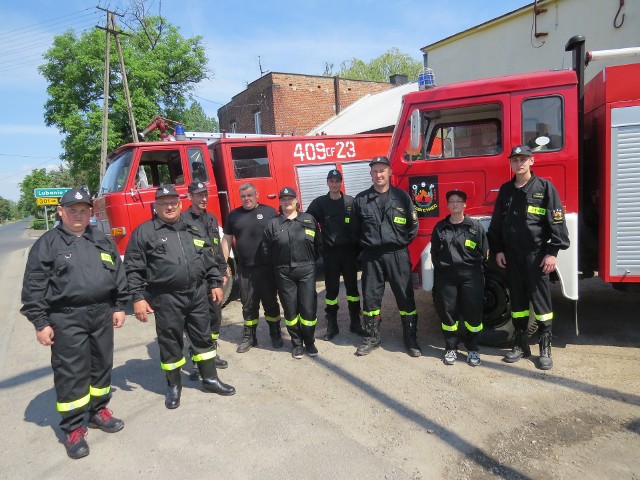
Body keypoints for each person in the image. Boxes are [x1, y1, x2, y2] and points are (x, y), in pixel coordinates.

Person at [20, 188, 129, 460]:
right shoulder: (47, 244)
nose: (78, 215)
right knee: (72, 372)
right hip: (66, 317)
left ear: (90, 212)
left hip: (102, 313)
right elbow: (34, 287)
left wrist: (118, 306)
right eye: (72, 210)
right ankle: (72, 428)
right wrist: (40, 322)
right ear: (61, 211)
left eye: (83, 210)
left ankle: (98, 411)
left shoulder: (101, 240)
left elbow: (118, 273)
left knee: (101, 363)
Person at [124, 185, 235, 409]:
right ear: (156, 206)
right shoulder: (144, 232)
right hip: (166, 298)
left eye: (173, 202)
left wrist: (215, 282)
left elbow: (209, 256)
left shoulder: (193, 228)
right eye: (163, 203)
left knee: (203, 337)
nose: (169, 206)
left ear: (180, 204)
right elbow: (133, 268)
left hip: (197, 293)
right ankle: (174, 386)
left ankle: (210, 379)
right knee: (170, 342)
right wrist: (137, 297)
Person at [488, 145, 570, 370]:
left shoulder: (544, 188)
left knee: (542, 304)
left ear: (532, 161)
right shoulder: (506, 190)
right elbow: (496, 224)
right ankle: (521, 344)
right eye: (515, 160)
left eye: (523, 159)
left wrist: (552, 253)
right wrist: (498, 250)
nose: (519, 163)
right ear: (511, 164)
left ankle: (545, 347)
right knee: (518, 304)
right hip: (512, 257)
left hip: (536, 257)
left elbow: (557, 222)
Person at [350, 156, 421, 357]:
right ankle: (372, 337)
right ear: (371, 174)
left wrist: (399, 242)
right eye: (375, 171)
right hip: (372, 256)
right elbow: (354, 231)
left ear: (389, 172)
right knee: (371, 298)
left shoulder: (402, 197)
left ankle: (410, 338)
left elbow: (413, 225)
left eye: (382, 170)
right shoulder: (361, 199)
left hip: (397, 254)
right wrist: (367, 246)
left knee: (405, 297)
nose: (378, 174)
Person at [221, 183, 283, 352]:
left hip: (267, 268)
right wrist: (222, 264)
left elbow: (281, 236)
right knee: (248, 305)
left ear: (256, 194)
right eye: (243, 196)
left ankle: (275, 333)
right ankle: (249, 337)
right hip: (246, 270)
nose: (246, 198)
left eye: (249, 195)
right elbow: (226, 240)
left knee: (271, 303)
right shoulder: (234, 216)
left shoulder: (269, 212)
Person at [306, 169, 366, 340]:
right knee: (331, 292)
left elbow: (360, 224)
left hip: (348, 253)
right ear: (327, 183)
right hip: (330, 254)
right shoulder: (320, 203)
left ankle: (355, 323)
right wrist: (317, 242)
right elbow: (308, 222)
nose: (334, 184)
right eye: (331, 181)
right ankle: (332, 326)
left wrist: (358, 247)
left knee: (353, 290)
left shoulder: (350, 202)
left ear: (341, 182)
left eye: (337, 181)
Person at [262, 187, 322, 359]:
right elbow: (266, 249)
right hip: (284, 273)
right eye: (284, 199)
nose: (287, 202)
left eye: (290, 198)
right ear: (280, 202)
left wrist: (309, 262)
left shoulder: (309, 220)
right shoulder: (273, 224)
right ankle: (296, 343)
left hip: (306, 271)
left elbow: (319, 244)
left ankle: (309, 342)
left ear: (296, 200)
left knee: (308, 310)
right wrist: (277, 266)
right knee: (290, 310)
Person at [431, 190, 488, 366]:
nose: (455, 204)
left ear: (465, 204)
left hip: (471, 276)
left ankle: (472, 349)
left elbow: (484, 252)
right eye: (452, 201)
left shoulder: (475, 226)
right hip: (446, 277)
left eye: (459, 201)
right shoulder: (440, 227)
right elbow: (434, 253)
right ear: (447, 205)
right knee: (448, 313)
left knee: (473, 314)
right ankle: (451, 348)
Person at [183, 181, 229, 379]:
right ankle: (196, 359)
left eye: (205, 195)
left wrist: (223, 269)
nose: (203, 199)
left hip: (213, 277)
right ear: (189, 196)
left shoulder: (211, 218)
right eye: (198, 195)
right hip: (195, 279)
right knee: (196, 321)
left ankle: (211, 353)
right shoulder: (183, 220)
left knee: (215, 317)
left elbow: (216, 248)